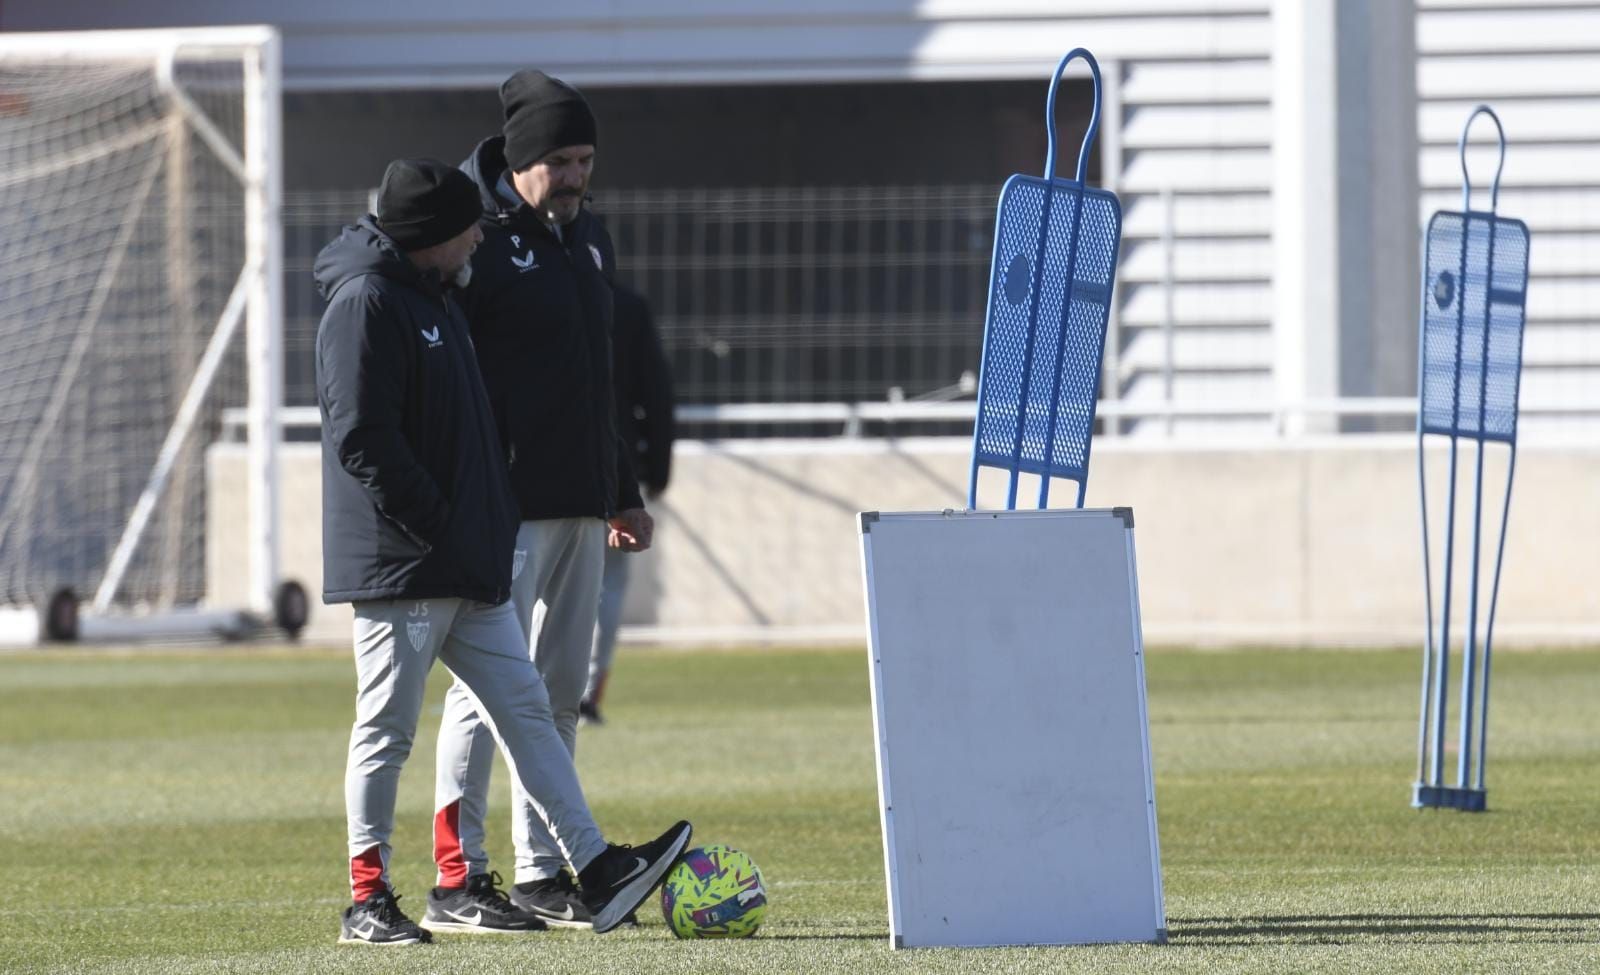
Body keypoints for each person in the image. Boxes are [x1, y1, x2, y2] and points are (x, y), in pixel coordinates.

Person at [315, 157, 690, 945]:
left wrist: (474, 531)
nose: (481, 234)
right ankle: (368, 897)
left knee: (528, 706)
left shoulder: (434, 294)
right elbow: (363, 440)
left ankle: (592, 864)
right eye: (467, 227)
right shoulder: (368, 302)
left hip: (464, 561)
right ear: (432, 236)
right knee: (387, 727)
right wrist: (442, 523)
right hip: (404, 564)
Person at [428, 68, 655, 931]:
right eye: (559, 159)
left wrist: (622, 491)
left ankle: (537, 869)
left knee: (557, 691)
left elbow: (598, 379)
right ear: (522, 160)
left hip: (583, 504)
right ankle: (460, 874)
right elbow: (450, 376)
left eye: (585, 158)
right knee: (485, 695)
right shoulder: (476, 240)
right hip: (504, 507)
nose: (575, 175)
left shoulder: (588, 237)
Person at [579, 281, 676, 725]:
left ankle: (548, 688)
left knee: (545, 581)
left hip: (552, 465)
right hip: (616, 468)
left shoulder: (532, 287)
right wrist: (657, 468)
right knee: (607, 586)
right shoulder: (625, 304)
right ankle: (588, 692)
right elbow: (654, 391)